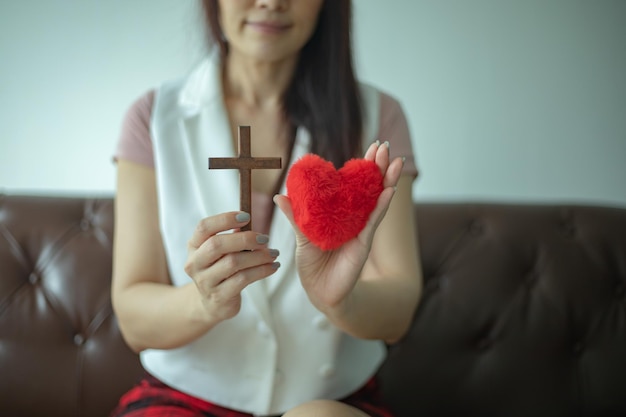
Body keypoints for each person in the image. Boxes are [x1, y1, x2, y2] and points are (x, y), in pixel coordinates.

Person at [110, 0, 422, 416]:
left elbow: (398, 311)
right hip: (186, 397)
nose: (271, 2)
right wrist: (203, 303)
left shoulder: (378, 116)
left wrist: (339, 302)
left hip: (329, 395)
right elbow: (132, 317)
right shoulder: (154, 118)